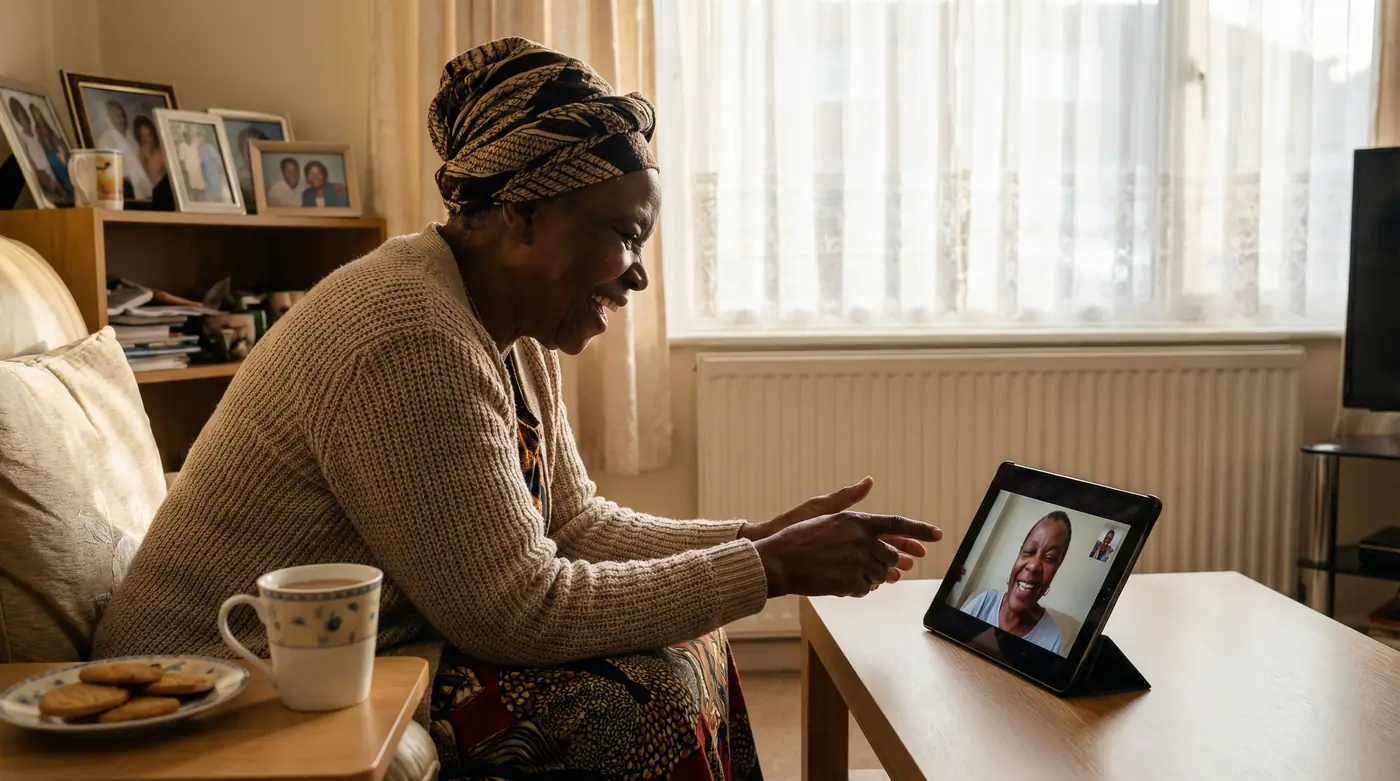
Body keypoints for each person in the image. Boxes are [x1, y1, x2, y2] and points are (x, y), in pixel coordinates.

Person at [92, 37, 942, 780]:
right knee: (648, 696)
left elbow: (574, 521)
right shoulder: (408, 335)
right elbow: (517, 610)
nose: (639, 274)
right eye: (625, 234)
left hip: (329, 661)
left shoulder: (508, 324)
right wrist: (769, 568)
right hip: (210, 684)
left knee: (694, 641)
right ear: (522, 212)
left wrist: (753, 537)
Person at [959, 511, 1071, 654]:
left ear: (1056, 570)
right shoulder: (984, 602)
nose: (1033, 566)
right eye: (1029, 551)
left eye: (1050, 558)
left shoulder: (1053, 640)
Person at [95, 99, 153, 199]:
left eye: (123, 116)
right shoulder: (105, 141)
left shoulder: (132, 138)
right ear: (109, 117)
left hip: (147, 193)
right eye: (118, 116)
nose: (122, 120)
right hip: (127, 196)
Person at [7, 97, 62, 200]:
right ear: (18, 119)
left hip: (53, 165)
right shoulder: (22, 137)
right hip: (43, 172)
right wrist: (40, 174)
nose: (24, 120)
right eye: (20, 117)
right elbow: (28, 160)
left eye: (24, 115)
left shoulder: (35, 128)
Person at [28, 105, 72, 201]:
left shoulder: (55, 138)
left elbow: (67, 160)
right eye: (35, 116)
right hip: (61, 182)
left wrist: (63, 156)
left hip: (69, 177)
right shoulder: (39, 140)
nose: (42, 129)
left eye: (39, 115)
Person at [234, 126, 268, 206]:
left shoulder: (273, 179)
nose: (253, 154)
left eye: (256, 149)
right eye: (248, 149)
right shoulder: (235, 179)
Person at [132, 115, 165, 191]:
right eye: (143, 136)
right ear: (139, 137)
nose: (148, 139)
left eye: (149, 135)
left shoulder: (161, 152)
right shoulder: (142, 153)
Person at [194, 128, 227, 202]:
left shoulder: (210, 147)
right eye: (198, 139)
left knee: (216, 183)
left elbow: (216, 158)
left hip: (213, 169)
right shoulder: (199, 149)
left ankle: (219, 198)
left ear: (203, 138)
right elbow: (200, 160)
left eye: (200, 138)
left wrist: (218, 167)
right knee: (209, 186)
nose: (199, 140)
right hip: (206, 170)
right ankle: (213, 199)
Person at [175, 127, 205, 200]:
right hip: (189, 169)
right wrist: (183, 169)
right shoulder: (182, 146)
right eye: (186, 136)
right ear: (184, 137)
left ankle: (200, 199)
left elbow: (199, 154)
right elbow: (181, 159)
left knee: (200, 187)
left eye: (189, 136)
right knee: (191, 187)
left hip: (197, 168)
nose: (188, 137)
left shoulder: (195, 144)